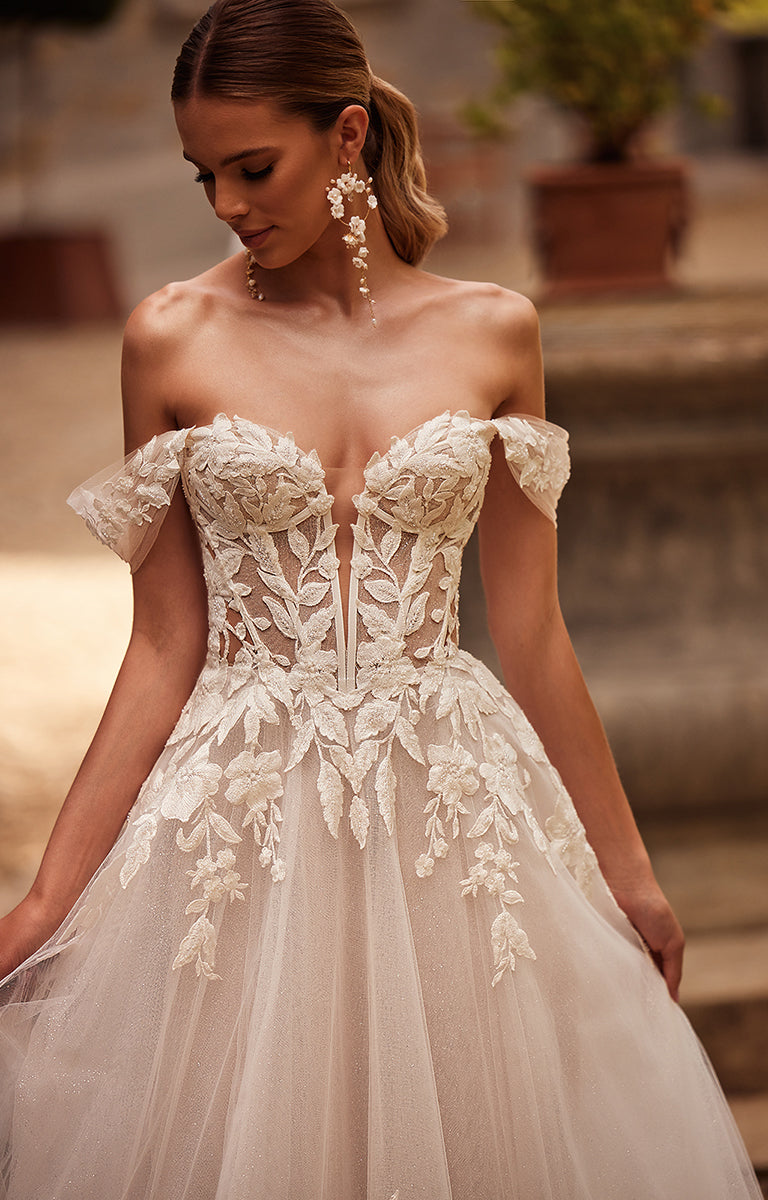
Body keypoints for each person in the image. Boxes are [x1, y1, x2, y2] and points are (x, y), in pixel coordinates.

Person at [0, 1, 761, 1197]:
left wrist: (630, 869)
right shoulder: (168, 336)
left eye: (256, 168)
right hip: (238, 825)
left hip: (454, 812)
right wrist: (48, 895)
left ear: (347, 136)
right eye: (205, 176)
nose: (229, 206)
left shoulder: (495, 330)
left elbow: (532, 632)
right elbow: (162, 646)